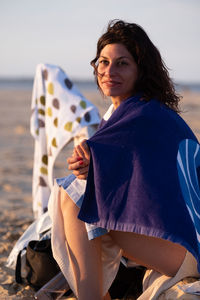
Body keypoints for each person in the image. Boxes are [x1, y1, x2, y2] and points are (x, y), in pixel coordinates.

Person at [50, 20, 200, 300]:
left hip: (188, 246)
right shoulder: (138, 111)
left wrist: (91, 161)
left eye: (122, 63)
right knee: (79, 195)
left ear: (140, 70)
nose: (109, 71)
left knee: (72, 196)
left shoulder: (142, 116)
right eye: (103, 62)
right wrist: (91, 163)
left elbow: (111, 164)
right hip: (179, 240)